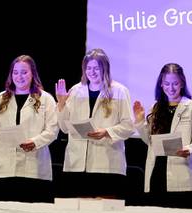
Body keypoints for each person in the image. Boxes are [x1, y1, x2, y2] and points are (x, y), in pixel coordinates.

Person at [0, 55, 58, 202]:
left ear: (33, 74)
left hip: (34, 169)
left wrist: (35, 141)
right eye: (15, 72)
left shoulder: (46, 98)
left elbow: (52, 130)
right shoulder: (1, 98)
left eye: (24, 72)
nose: (19, 76)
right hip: (4, 168)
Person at [55, 48, 134, 198]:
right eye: (88, 68)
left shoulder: (119, 91)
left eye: (96, 68)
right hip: (76, 164)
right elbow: (64, 128)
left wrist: (107, 132)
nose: (92, 72)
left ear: (105, 69)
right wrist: (61, 104)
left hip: (106, 164)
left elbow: (128, 126)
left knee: (105, 208)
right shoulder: (75, 91)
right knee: (78, 209)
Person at [133, 63, 192, 208]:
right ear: (161, 84)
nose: (171, 88)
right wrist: (140, 121)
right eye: (167, 84)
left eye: (175, 83)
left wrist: (188, 149)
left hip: (182, 175)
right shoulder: (155, 108)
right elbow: (150, 141)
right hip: (157, 174)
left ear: (182, 83)